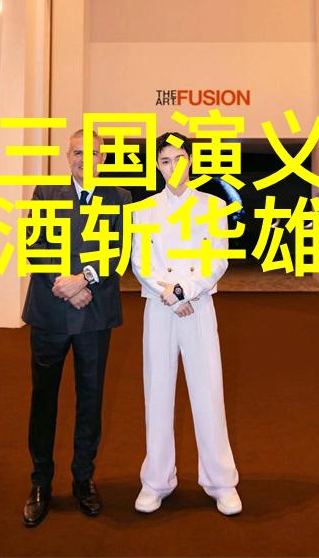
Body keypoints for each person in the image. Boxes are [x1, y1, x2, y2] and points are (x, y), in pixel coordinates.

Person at [21, 129, 132, 527]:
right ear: (68, 156)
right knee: (44, 398)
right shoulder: (46, 193)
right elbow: (35, 244)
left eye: (95, 152)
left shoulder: (119, 198)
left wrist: (83, 279)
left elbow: (120, 249)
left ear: (104, 158)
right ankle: (40, 482)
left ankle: (83, 479)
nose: (87, 158)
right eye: (79, 152)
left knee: (90, 399)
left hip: (94, 313)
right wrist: (63, 284)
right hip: (50, 312)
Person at [131, 132, 241, 516]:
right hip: (159, 307)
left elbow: (218, 259)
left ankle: (221, 482)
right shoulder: (143, 210)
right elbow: (140, 260)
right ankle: (156, 481)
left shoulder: (213, 205)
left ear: (190, 160)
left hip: (198, 305)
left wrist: (184, 291)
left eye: (179, 158)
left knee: (208, 392)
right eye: (165, 160)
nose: (173, 166)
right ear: (157, 166)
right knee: (157, 393)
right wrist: (168, 293)